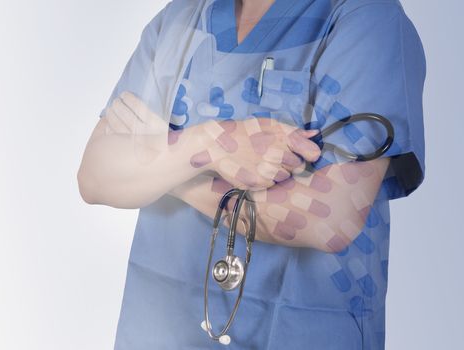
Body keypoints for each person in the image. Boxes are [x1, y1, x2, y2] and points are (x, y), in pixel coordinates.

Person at [77, 0, 426, 348]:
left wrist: (167, 165)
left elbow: (327, 217)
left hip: (301, 333)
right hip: (158, 328)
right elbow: (96, 175)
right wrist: (211, 145)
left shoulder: (365, 18)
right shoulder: (179, 19)